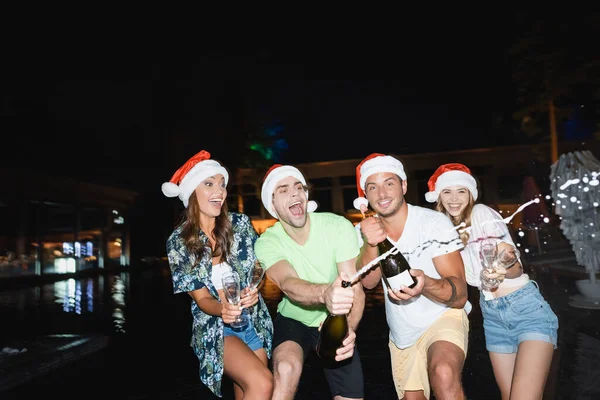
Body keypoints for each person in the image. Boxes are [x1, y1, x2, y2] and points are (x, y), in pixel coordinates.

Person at [426, 163, 558, 399]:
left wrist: (502, 266)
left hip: (526, 309)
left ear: (470, 194)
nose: (454, 199)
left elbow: (514, 266)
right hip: (493, 318)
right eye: (447, 192)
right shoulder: (443, 232)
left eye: (461, 191)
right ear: (438, 196)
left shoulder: (481, 214)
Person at [353, 153, 469, 400]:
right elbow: (369, 282)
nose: (382, 194)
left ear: (404, 185)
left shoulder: (433, 223)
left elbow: (460, 295)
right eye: (372, 187)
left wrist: (425, 284)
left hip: (443, 314)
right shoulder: (362, 232)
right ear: (365, 195)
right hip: (402, 331)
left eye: (389, 183)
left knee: (444, 372)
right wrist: (370, 243)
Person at [161, 150, 274, 399]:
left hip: (253, 321)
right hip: (216, 327)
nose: (220, 191)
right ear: (191, 192)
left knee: (249, 390)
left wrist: (254, 290)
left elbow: (257, 268)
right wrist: (223, 309)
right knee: (263, 383)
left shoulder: (240, 224)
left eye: (222, 184)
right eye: (209, 183)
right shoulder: (179, 242)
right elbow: (202, 300)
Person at [254, 164, 366, 400]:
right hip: (294, 319)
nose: (295, 193)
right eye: (283, 190)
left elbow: (355, 289)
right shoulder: (267, 242)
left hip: (336, 321)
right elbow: (287, 282)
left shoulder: (338, 226)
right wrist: (325, 293)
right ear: (272, 204)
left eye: (299, 187)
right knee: (285, 368)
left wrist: (349, 332)